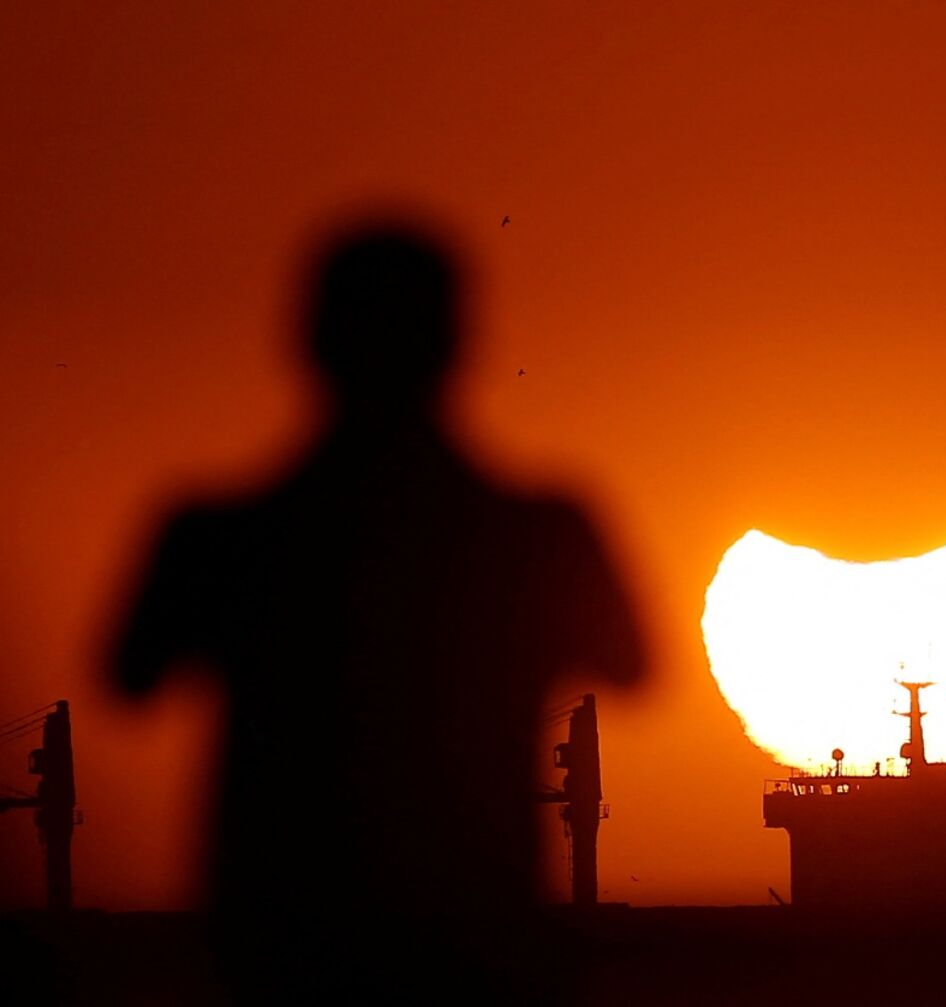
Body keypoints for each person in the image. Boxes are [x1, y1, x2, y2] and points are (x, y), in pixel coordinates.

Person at [109, 221, 645, 1002]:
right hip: (478, 949)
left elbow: (129, 677)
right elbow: (632, 667)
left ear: (307, 341)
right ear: (460, 345)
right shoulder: (543, 532)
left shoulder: (216, 534)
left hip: (285, 948)